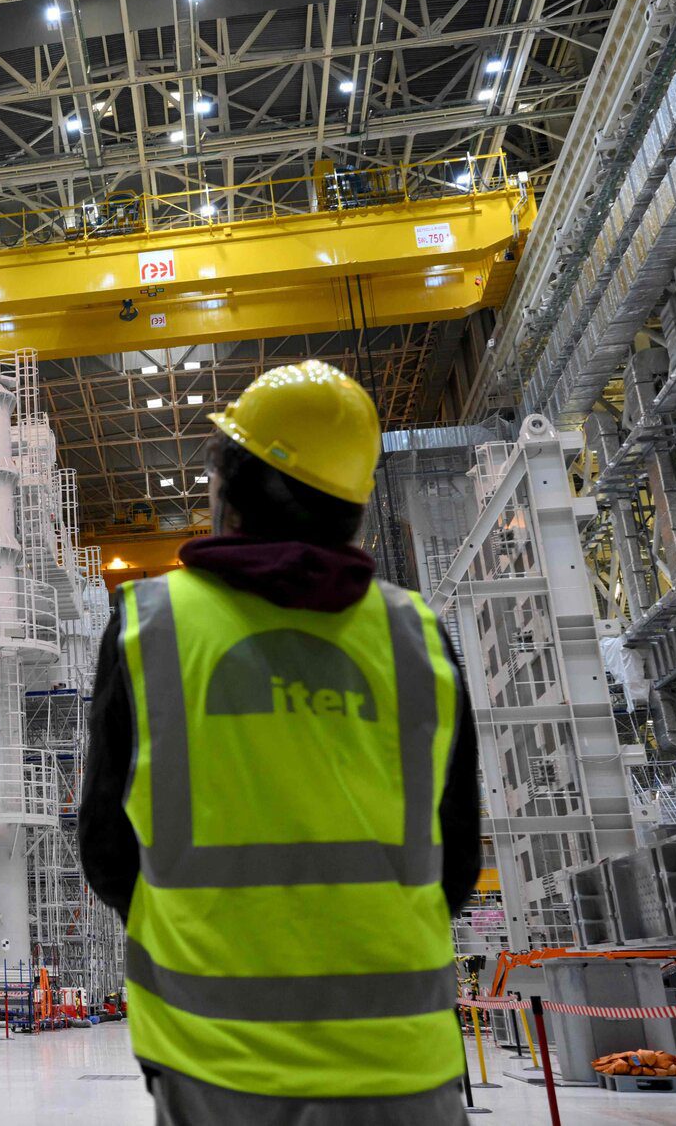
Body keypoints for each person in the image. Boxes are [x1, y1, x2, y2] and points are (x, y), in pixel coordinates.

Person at [78, 359, 481, 1125]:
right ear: (353, 506)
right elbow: (457, 862)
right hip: (403, 1064)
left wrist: (202, 931)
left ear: (228, 488)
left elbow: (104, 847)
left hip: (211, 1058)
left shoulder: (150, 627)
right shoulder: (417, 638)